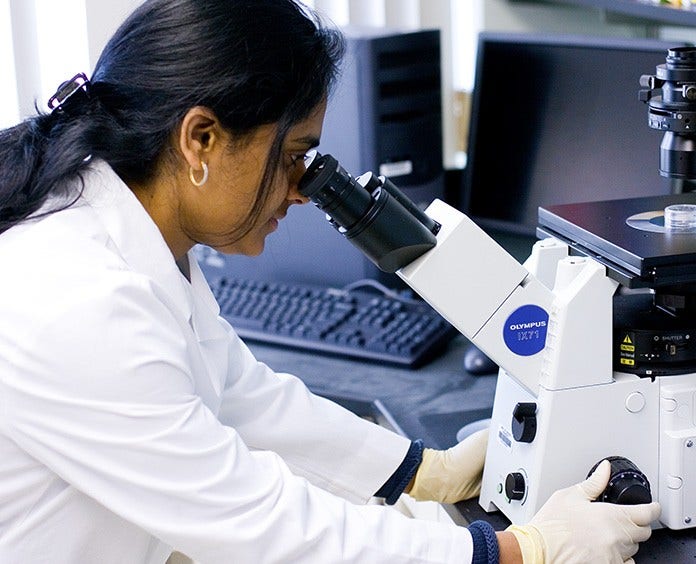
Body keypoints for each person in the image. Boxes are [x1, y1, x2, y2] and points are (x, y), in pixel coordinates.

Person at [0, 1, 660, 562]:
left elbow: (244, 397)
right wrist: (524, 549)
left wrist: (426, 471)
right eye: (293, 157)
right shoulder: (77, 299)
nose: (303, 191)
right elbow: (264, 527)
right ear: (201, 138)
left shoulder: (130, 238)